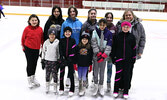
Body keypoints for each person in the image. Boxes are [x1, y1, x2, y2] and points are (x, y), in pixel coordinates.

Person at [116, 9, 146, 91]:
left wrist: (140, 51)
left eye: (129, 15)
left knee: (129, 70)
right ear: (124, 16)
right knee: (120, 70)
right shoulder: (119, 24)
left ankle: (126, 86)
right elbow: (116, 38)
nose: (128, 16)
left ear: (133, 15)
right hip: (121, 52)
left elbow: (142, 38)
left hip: (132, 52)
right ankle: (120, 86)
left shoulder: (138, 25)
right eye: (126, 15)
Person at [112, 21, 136, 99]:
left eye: (127, 27)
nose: (125, 28)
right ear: (121, 27)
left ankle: (126, 91)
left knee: (127, 75)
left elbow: (134, 48)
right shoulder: (117, 36)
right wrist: (113, 57)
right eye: (124, 27)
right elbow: (114, 48)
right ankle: (116, 90)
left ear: (129, 28)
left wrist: (133, 58)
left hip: (128, 60)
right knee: (118, 75)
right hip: (119, 59)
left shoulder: (132, 37)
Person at [60, 6, 82, 88]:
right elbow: (62, 36)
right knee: (68, 63)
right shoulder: (65, 23)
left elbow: (82, 35)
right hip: (67, 48)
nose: (72, 13)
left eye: (74, 11)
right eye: (71, 11)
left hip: (76, 47)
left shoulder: (80, 23)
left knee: (74, 63)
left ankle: (73, 77)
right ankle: (69, 78)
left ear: (76, 12)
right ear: (69, 13)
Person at [21, 14, 43, 89]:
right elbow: (23, 39)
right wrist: (24, 48)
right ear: (29, 21)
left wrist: (43, 48)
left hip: (36, 49)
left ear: (38, 21)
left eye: (35, 20)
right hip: (28, 49)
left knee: (35, 63)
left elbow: (42, 39)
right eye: (32, 20)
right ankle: (29, 79)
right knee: (30, 63)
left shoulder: (40, 29)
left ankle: (33, 77)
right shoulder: (26, 29)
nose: (34, 22)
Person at [91, 18, 112, 96]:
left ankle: (101, 85)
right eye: (100, 25)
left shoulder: (109, 33)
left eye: (103, 25)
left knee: (102, 72)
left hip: (104, 57)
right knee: (95, 71)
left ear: (106, 25)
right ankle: (95, 85)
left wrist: (104, 54)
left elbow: (109, 44)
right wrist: (97, 52)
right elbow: (93, 43)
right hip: (96, 56)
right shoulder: (95, 32)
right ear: (98, 25)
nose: (102, 26)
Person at [81, 8, 97, 88]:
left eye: (94, 13)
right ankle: (85, 79)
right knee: (86, 64)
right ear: (89, 15)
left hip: (96, 48)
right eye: (91, 13)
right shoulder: (85, 25)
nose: (93, 15)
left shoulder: (98, 24)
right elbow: (82, 37)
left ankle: (94, 79)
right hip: (87, 48)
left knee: (95, 64)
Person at [73, 31, 93, 96]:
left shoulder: (90, 48)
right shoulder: (77, 47)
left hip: (86, 65)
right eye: (83, 39)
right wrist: (75, 63)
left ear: (88, 40)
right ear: (81, 39)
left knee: (84, 76)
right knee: (79, 76)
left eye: (86, 39)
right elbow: (75, 56)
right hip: (79, 65)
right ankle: (80, 86)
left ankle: (83, 88)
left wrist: (90, 65)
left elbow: (90, 57)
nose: (84, 40)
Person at [41, 25, 59, 94]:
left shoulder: (57, 42)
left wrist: (58, 59)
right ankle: (47, 86)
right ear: (48, 35)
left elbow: (58, 52)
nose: (52, 36)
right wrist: (42, 60)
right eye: (50, 34)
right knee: (47, 74)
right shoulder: (46, 42)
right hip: (47, 60)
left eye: (53, 34)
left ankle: (55, 87)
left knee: (55, 74)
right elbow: (43, 51)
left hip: (54, 61)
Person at [59, 27, 76, 97]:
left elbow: (73, 49)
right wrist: (62, 57)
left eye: (69, 32)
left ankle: (72, 88)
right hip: (63, 60)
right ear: (64, 33)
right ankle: (61, 87)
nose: (67, 33)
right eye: (66, 32)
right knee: (61, 74)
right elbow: (60, 50)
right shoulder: (61, 40)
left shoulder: (73, 40)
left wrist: (70, 57)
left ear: (71, 33)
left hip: (70, 60)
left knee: (71, 74)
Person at [104, 12, 117, 92]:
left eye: (110, 17)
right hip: (102, 52)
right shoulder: (102, 26)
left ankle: (108, 83)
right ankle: (97, 82)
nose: (109, 19)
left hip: (110, 53)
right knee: (100, 69)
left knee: (109, 68)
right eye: (107, 17)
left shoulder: (114, 28)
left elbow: (116, 40)